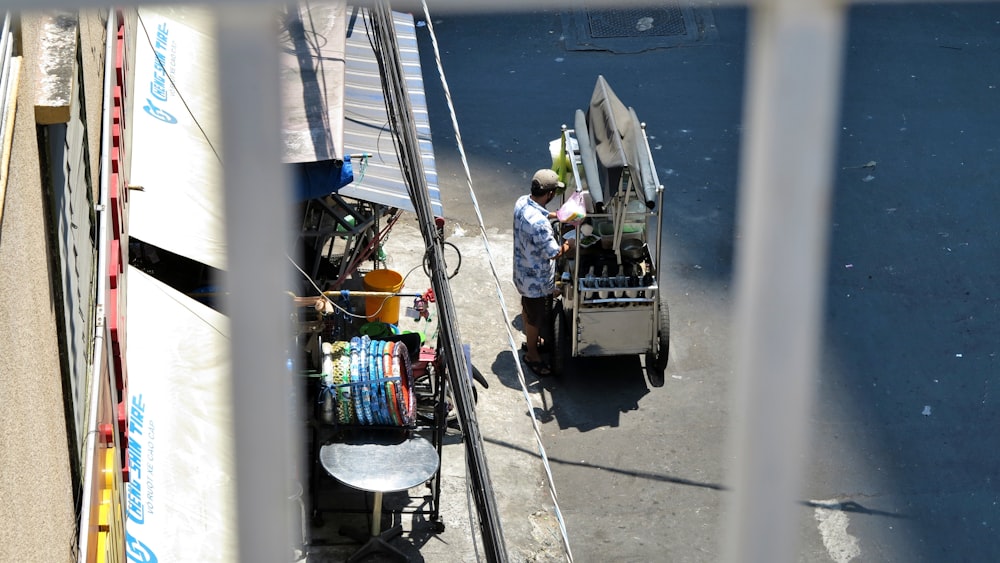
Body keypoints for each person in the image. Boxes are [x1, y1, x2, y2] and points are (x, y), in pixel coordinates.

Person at [513, 169, 571, 377]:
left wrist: (555, 215)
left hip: (522, 272)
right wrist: (569, 244)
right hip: (534, 281)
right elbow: (554, 252)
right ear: (550, 194)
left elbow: (538, 213)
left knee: (529, 311)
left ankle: (533, 342)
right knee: (534, 318)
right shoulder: (539, 224)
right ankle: (532, 355)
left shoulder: (522, 202)